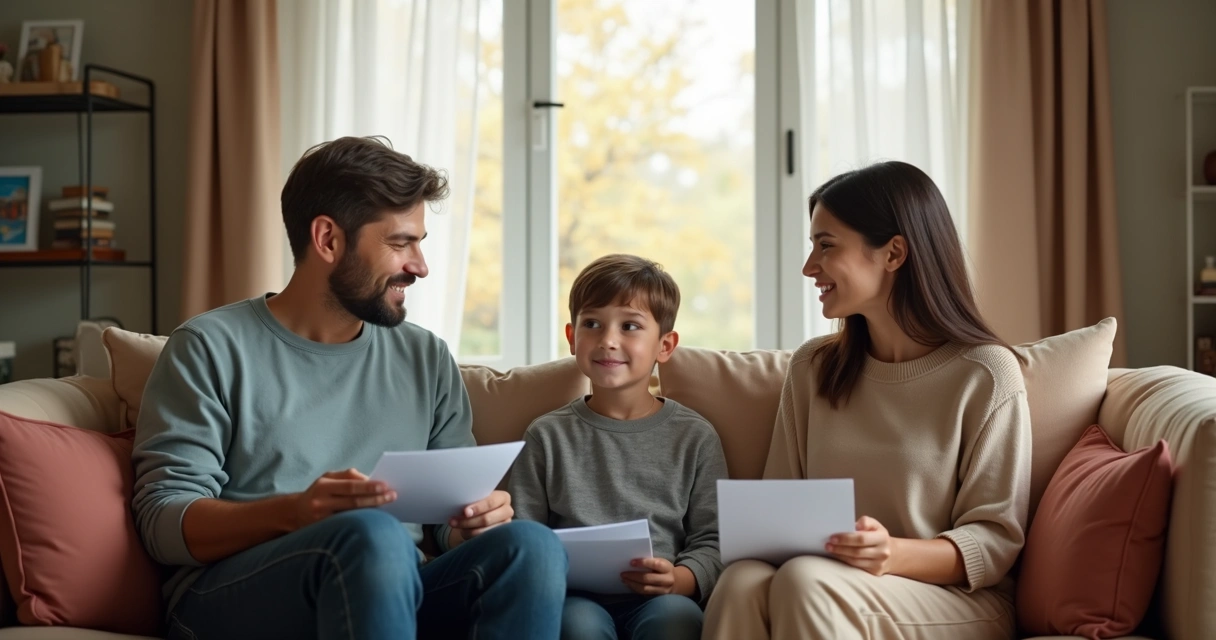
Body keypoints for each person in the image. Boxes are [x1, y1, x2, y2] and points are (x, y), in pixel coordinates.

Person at [132, 136, 568, 640]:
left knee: (532, 547)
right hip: (230, 596)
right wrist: (295, 513)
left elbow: (446, 520)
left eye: (420, 243)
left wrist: (469, 522)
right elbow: (163, 523)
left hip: (391, 584)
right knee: (373, 535)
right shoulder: (209, 346)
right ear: (328, 240)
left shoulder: (425, 357)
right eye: (400, 243)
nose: (420, 265)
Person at [704, 161, 1032, 639]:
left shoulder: (985, 374)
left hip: (954, 599)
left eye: (826, 246)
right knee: (741, 581)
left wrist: (892, 553)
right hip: (824, 580)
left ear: (893, 253)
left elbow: (994, 541)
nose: (809, 266)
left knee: (806, 581)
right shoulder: (813, 368)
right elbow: (778, 513)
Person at [506, 254, 728, 640]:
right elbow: (526, 534)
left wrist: (680, 579)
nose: (608, 340)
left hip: (662, 598)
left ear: (665, 345)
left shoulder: (695, 437)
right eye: (592, 324)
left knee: (676, 621)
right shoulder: (546, 435)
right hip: (573, 597)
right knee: (578, 627)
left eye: (630, 326)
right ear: (572, 337)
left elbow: (714, 538)